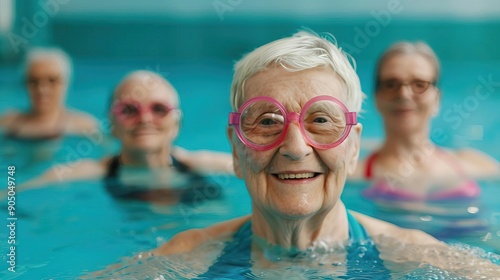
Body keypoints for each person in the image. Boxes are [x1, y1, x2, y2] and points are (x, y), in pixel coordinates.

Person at [140, 31, 499, 279]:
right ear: (236, 149)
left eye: (321, 120)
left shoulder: (416, 256)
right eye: (267, 121)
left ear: (354, 146)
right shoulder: (184, 258)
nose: (296, 148)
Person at [13, 70, 233, 204]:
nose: (145, 119)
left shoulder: (210, 166)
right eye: (128, 110)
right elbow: (14, 194)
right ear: (111, 125)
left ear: (177, 123)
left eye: (159, 109)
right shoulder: (83, 173)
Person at [352, 41, 500, 201]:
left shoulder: (473, 164)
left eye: (419, 84)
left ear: (436, 98)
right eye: (391, 84)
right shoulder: (354, 175)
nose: (404, 94)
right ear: (376, 97)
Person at [0, 47, 99, 139]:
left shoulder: (84, 127)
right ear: (25, 84)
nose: (42, 89)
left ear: (66, 83)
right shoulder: (7, 123)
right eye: (34, 81)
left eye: (52, 81)